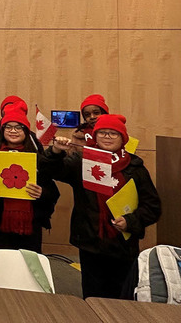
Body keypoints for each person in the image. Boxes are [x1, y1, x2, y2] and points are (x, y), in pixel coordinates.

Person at [43, 114, 161, 299]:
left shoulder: (135, 168)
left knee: (122, 296)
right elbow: (50, 171)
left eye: (113, 133)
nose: (107, 136)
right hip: (91, 242)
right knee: (93, 294)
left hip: (123, 243)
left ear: (123, 138)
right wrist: (55, 152)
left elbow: (153, 207)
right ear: (95, 136)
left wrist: (130, 221)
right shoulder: (83, 162)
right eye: (103, 133)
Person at [0, 108, 58, 253]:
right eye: (9, 127)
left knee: (28, 265)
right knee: (4, 262)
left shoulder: (36, 156)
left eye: (19, 127)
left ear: (26, 131)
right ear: (3, 130)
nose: (13, 131)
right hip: (1, 219)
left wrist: (41, 192)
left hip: (30, 222)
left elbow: (52, 191)